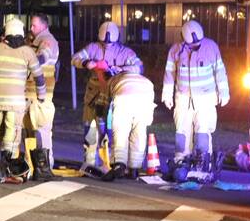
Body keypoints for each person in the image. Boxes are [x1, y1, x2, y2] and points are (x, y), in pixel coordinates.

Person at [0, 18, 46, 181]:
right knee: (11, 130)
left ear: (5, 32)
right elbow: (39, 77)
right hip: (16, 101)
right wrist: (41, 96)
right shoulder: (28, 52)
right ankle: (5, 162)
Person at [72, 20, 142, 170]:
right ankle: (89, 162)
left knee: (109, 131)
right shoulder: (93, 48)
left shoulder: (125, 52)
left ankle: (109, 163)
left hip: (112, 96)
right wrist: (85, 63)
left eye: (110, 44)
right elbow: (75, 58)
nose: (107, 45)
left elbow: (138, 67)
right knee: (89, 129)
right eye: (104, 43)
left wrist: (120, 69)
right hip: (93, 96)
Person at [162, 20, 230, 169]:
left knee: (202, 135)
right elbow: (169, 74)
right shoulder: (176, 50)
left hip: (205, 100)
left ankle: (203, 164)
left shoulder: (211, 47)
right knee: (181, 134)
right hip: (183, 99)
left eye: (198, 44)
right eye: (192, 45)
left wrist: (224, 92)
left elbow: (220, 71)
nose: (195, 46)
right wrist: (167, 95)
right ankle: (181, 163)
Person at [23, 13, 59, 179]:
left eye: (34, 26)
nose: (31, 28)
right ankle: (31, 164)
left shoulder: (47, 41)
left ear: (44, 26)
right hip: (30, 95)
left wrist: (26, 60)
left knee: (42, 131)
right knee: (28, 131)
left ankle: (45, 166)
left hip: (41, 97)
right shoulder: (33, 42)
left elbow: (42, 58)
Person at [104, 71, 156, 181]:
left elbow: (106, 101)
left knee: (121, 132)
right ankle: (134, 169)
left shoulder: (112, 80)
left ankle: (119, 165)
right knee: (139, 133)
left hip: (124, 99)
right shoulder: (142, 78)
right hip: (145, 98)